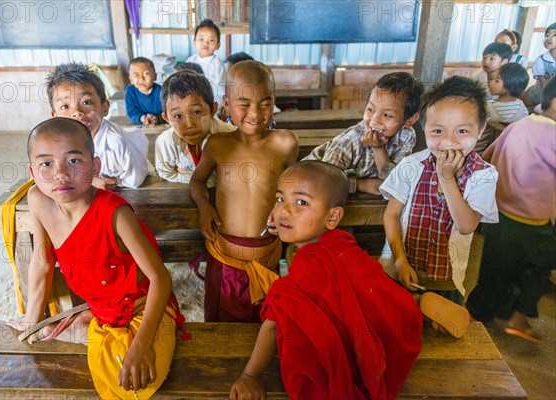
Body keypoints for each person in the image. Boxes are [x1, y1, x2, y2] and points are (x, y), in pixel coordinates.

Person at [7, 118, 186, 399]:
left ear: (96, 166)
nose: (61, 174)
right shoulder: (38, 200)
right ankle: (78, 324)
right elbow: (42, 261)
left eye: (74, 161)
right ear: (32, 171)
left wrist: (142, 344)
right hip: (102, 306)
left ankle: (79, 328)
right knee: (112, 370)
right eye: (46, 164)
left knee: (138, 381)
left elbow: (159, 278)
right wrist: (32, 320)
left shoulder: (115, 214)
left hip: (140, 306)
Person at [229, 161, 423, 399]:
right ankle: (422, 302)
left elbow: (272, 325)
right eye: (280, 199)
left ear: (333, 216)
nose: (284, 211)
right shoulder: (343, 246)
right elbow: (378, 291)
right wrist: (413, 303)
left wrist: (251, 375)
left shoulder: (304, 271)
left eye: (301, 202)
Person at [189, 60, 299, 322]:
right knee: (222, 319)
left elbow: (293, 186)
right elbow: (197, 181)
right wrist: (204, 208)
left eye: (265, 103)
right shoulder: (217, 144)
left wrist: (281, 208)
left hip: (267, 249)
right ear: (226, 103)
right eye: (244, 103)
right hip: (224, 251)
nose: (255, 113)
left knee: (265, 319)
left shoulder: (285, 142)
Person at [379, 76, 499, 311]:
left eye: (462, 130)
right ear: (423, 128)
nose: (449, 142)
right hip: (402, 270)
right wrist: (399, 260)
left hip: (447, 280)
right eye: (437, 131)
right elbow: (391, 215)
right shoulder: (411, 166)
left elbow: (466, 226)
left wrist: (447, 178)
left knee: (443, 329)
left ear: (481, 128)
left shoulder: (483, 175)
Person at [466, 77, 556, 345]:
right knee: (534, 269)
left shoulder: (519, 125)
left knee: (497, 270)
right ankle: (501, 315)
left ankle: (486, 314)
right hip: (532, 221)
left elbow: (489, 158)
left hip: (501, 216)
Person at [303, 72, 423, 195]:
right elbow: (322, 181)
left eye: (387, 115)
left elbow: (392, 180)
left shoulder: (407, 135)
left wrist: (377, 148)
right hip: (307, 177)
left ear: (410, 120)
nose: (374, 120)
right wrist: (360, 185)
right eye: (370, 109)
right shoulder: (350, 141)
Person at [47, 62, 150, 189]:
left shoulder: (116, 143)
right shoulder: (55, 144)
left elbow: (136, 178)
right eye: (65, 106)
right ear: (55, 116)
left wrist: (116, 182)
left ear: (104, 107)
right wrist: (90, 180)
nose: (77, 112)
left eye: (86, 102)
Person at [155, 70, 235, 183]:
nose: (189, 124)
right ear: (167, 119)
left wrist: (186, 173)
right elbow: (166, 172)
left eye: (196, 112)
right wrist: (193, 178)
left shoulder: (229, 135)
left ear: (213, 110)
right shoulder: (165, 142)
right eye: (178, 116)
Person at [186, 19, 226, 109]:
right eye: (201, 39)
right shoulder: (190, 61)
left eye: (211, 40)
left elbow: (220, 92)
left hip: (210, 106)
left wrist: (213, 108)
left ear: (218, 45)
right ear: (195, 42)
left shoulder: (218, 65)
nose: (206, 43)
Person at [125, 57, 164, 126]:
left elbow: (169, 113)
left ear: (155, 76)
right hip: (141, 126)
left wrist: (157, 118)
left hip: (162, 126)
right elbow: (131, 113)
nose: (141, 79)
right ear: (131, 79)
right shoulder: (130, 91)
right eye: (136, 75)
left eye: (146, 74)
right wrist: (142, 118)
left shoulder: (162, 91)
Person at [524, 22, 556, 106]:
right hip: (540, 97)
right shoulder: (540, 61)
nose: (549, 38)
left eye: (554, 35)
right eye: (547, 35)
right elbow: (544, 86)